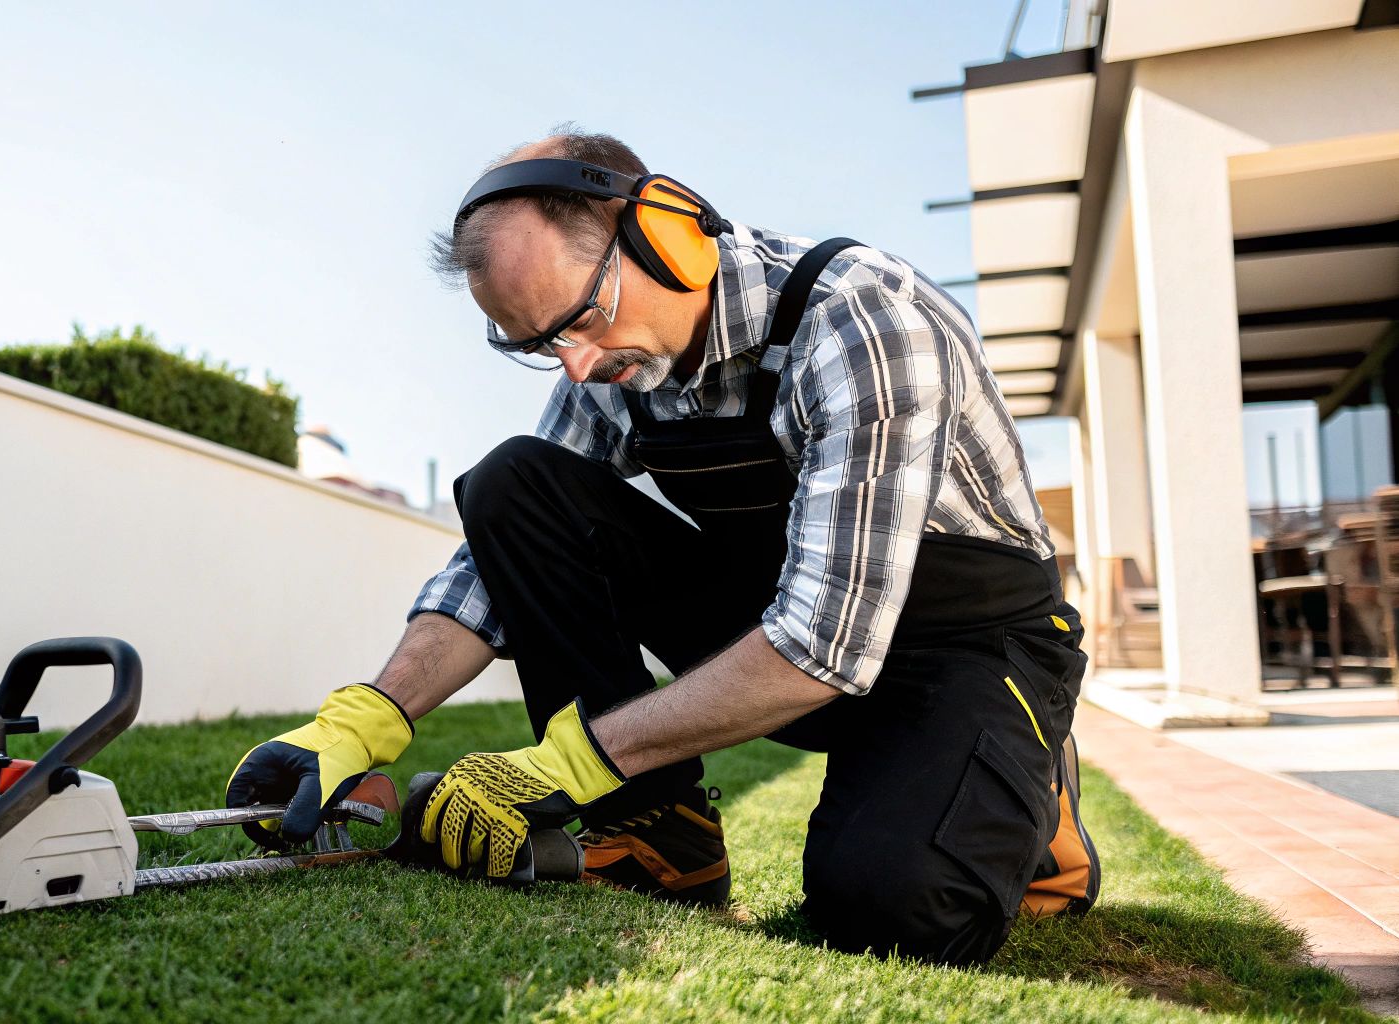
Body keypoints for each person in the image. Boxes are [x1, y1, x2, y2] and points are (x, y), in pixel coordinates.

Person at [226, 128, 1098, 966]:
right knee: (512, 481)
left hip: (967, 646)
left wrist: (564, 766)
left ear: (666, 232)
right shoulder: (614, 360)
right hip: (785, 617)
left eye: (582, 317)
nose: (573, 365)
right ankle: (655, 833)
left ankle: (1031, 798)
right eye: (538, 344)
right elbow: (496, 566)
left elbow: (822, 644)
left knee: (894, 909)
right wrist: (367, 720)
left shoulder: (862, 323)